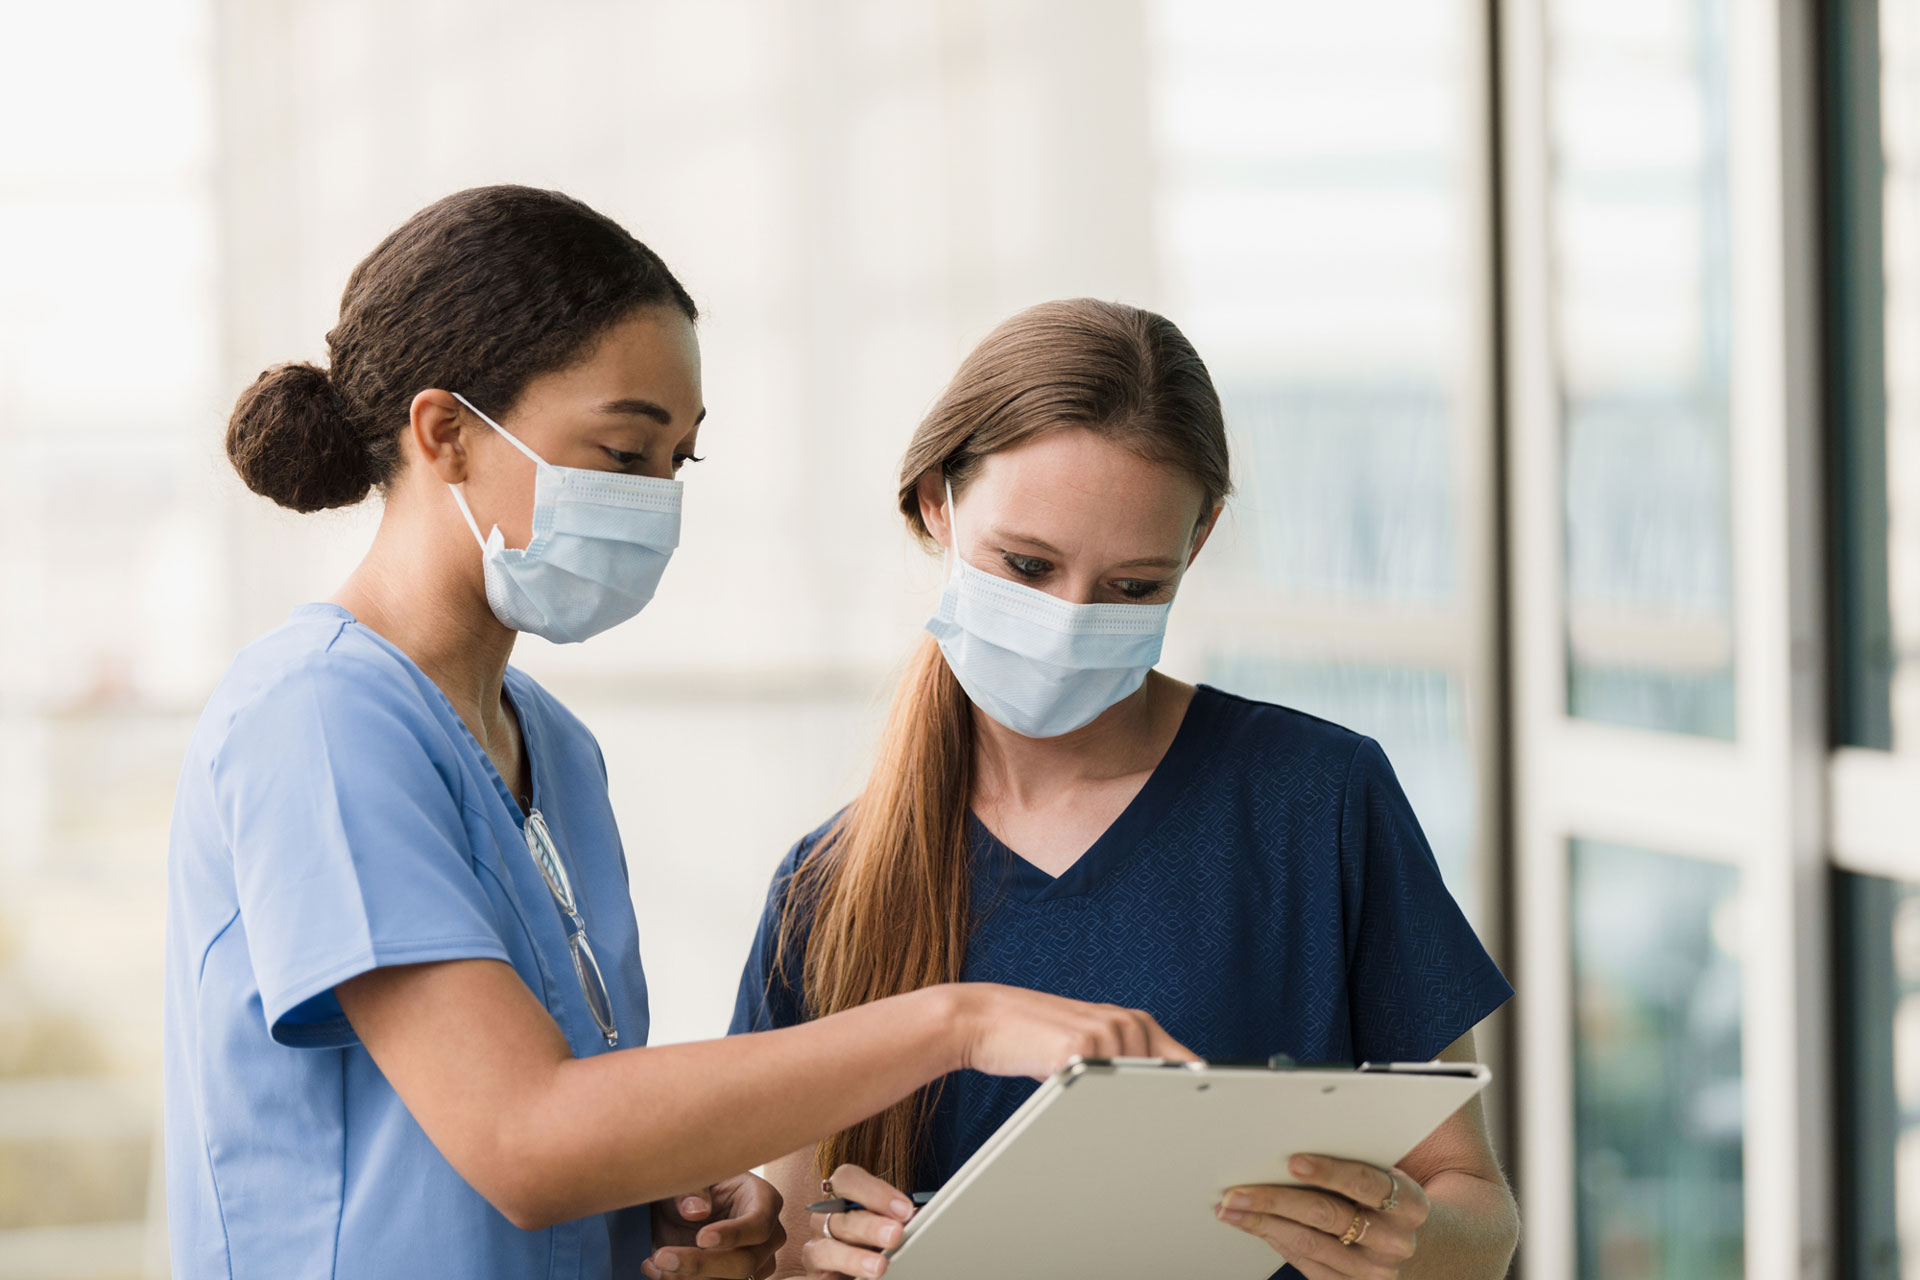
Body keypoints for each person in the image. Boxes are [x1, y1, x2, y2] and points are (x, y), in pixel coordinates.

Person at [162, 189, 1193, 1280]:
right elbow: (525, 1139)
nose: (655, 500)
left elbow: (570, 1131)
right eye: (623, 451)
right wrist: (960, 1022)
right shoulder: (317, 720)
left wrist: (672, 1209)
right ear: (446, 432)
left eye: (679, 464)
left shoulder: (551, 747)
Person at [730, 299, 1521, 1280]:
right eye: (1026, 564)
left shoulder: (1320, 802)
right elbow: (785, 1242)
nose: (1068, 623)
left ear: (1198, 542)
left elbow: (1475, 1209)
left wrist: (1415, 1242)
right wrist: (817, 1263)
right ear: (938, 502)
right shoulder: (829, 881)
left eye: (1133, 585)